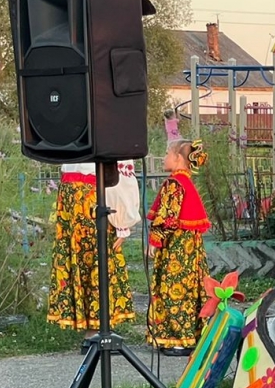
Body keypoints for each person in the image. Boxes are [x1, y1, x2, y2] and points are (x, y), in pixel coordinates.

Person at [46, 162, 137, 339]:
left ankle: (95, 329)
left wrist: (123, 220)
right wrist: (123, 221)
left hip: (82, 196)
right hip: (88, 195)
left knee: (94, 258)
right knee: (96, 257)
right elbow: (119, 168)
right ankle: (96, 330)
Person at [146, 139, 211, 354]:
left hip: (177, 248)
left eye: (167, 153)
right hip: (190, 247)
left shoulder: (174, 184)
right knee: (190, 289)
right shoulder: (187, 183)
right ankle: (190, 335)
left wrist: (155, 240)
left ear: (178, 158)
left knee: (174, 288)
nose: (164, 157)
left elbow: (168, 217)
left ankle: (177, 338)